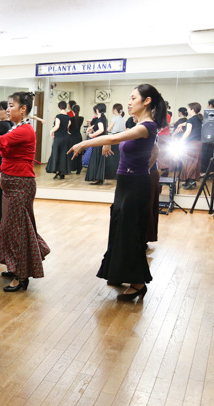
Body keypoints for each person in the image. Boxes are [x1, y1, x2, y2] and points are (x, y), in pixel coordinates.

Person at [69, 84, 166, 301]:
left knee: (130, 232)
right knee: (119, 228)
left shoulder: (147, 126)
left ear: (147, 101)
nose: (129, 102)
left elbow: (114, 139)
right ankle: (118, 272)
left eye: (133, 98)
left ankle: (138, 283)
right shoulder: (138, 124)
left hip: (135, 185)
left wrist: (84, 143)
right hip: (126, 183)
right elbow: (150, 148)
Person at [0, 92, 50, 292]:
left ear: (23, 109)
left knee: (18, 229)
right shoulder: (17, 127)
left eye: (11, 105)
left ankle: (22, 275)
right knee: (9, 228)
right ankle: (15, 266)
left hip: (20, 185)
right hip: (11, 186)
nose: (7, 109)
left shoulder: (25, 130)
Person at [0, 100, 14, 228]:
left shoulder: (2, 125)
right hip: (2, 162)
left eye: (1, 109)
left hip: (0, 163)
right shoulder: (10, 124)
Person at [179, 102, 203, 189]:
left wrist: (181, 141)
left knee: (189, 162)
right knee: (194, 162)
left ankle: (191, 181)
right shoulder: (198, 118)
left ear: (192, 110)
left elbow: (188, 131)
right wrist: (182, 124)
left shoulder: (191, 120)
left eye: (188, 109)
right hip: (198, 144)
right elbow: (190, 123)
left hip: (191, 144)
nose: (188, 110)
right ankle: (189, 180)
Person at [46, 101, 72, 179]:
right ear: (66, 107)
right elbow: (69, 123)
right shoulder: (67, 116)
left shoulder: (58, 116)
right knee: (63, 155)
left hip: (59, 138)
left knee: (56, 153)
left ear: (59, 107)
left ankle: (57, 171)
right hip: (65, 138)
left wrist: (51, 131)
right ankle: (62, 172)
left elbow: (57, 126)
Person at [84, 104, 109, 185]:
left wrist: (92, 135)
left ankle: (97, 178)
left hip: (99, 142)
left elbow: (101, 129)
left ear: (97, 110)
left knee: (96, 159)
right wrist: (90, 128)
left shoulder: (100, 119)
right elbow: (95, 126)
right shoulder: (102, 118)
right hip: (101, 142)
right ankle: (98, 178)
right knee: (98, 159)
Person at [68, 105, 84, 174]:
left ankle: (71, 167)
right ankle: (79, 169)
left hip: (72, 137)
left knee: (72, 152)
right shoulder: (81, 118)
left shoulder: (70, 119)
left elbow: (67, 127)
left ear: (72, 111)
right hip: (79, 137)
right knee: (79, 153)